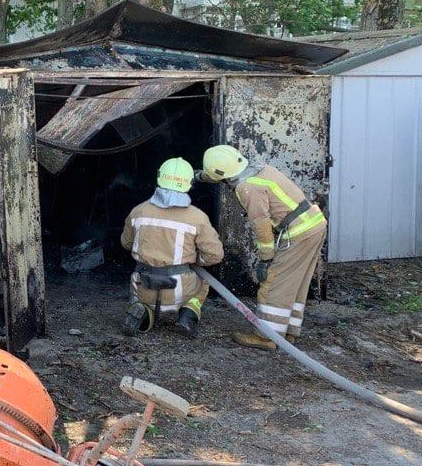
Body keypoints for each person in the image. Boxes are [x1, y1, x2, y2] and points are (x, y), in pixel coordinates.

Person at [201, 145, 327, 349]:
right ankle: (288, 332)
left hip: (299, 233)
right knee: (295, 282)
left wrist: (266, 258)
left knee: (274, 282)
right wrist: (200, 176)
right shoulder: (260, 169)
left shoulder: (247, 188)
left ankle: (267, 337)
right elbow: (223, 173)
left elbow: (261, 225)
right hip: (313, 224)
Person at [120, 157, 224, 338]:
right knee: (204, 282)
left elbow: (126, 243)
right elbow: (214, 255)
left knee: (143, 301)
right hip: (179, 290)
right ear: (189, 183)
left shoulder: (138, 211)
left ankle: (143, 312)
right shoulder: (197, 217)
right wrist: (195, 261)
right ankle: (188, 312)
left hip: (143, 283)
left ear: (160, 178)